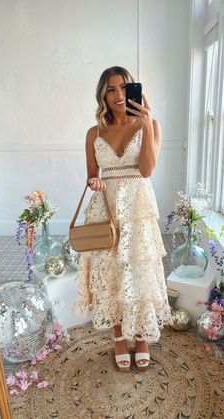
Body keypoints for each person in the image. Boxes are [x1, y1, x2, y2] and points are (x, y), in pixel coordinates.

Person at [74, 66, 172, 372]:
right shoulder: (95, 133)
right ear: (103, 94)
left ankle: (140, 336)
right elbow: (92, 176)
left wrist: (145, 125)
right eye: (111, 89)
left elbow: (146, 170)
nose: (118, 95)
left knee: (138, 274)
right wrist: (95, 183)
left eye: (123, 88)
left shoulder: (150, 124)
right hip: (106, 210)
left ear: (134, 91)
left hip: (138, 210)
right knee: (111, 274)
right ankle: (118, 337)